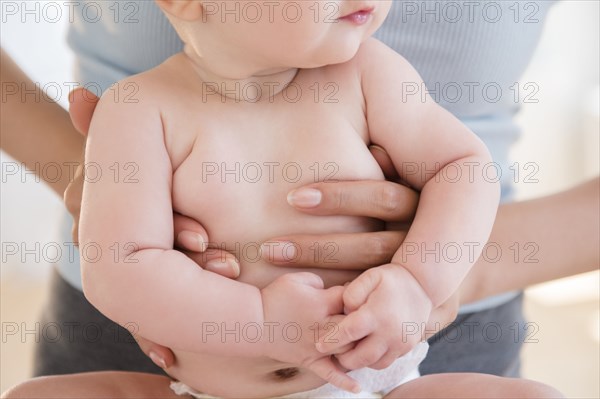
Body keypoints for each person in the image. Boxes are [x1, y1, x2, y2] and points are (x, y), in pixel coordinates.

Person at [0, 0, 597, 384]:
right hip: (182, 382)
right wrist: (262, 324)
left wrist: (419, 282)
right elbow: (118, 266)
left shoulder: (369, 74)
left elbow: (462, 166)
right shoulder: (139, 111)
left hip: (384, 373)